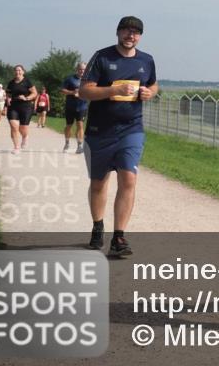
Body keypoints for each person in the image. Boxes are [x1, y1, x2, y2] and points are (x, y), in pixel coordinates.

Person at [79, 16, 158, 257]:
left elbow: (154, 85)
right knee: (99, 183)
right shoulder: (102, 57)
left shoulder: (147, 60)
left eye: (136, 32)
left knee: (129, 179)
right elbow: (84, 91)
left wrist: (149, 93)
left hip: (131, 130)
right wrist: (114, 89)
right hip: (99, 131)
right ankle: (97, 226)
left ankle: (119, 236)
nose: (130, 35)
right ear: (118, 32)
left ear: (140, 36)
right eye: (126, 30)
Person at [5, 66, 37, 154]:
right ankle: (16, 147)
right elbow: (7, 93)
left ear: (23, 72)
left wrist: (26, 98)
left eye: (19, 70)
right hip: (13, 106)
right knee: (13, 126)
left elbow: (34, 93)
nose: (17, 72)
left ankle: (25, 137)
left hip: (26, 106)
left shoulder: (27, 81)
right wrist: (8, 98)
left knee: (23, 127)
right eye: (16, 70)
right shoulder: (11, 83)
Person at [61, 62, 88, 153]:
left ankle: (79, 145)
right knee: (69, 126)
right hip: (70, 106)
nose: (82, 71)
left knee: (80, 125)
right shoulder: (70, 79)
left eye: (84, 69)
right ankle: (67, 142)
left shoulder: (88, 79)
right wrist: (73, 92)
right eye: (80, 69)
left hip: (82, 106)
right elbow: (63, 90)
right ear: (77, 69)